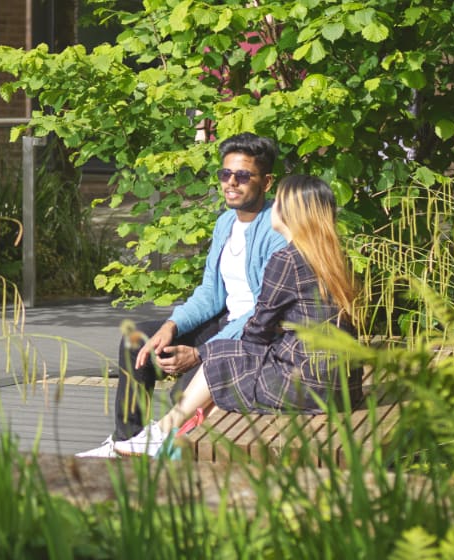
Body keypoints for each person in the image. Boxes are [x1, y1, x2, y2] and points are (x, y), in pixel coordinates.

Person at [110, 174, 364, 456]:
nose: (273, 207)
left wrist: (206, 353)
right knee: (223, 364)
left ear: (290, 212)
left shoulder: (287, 259)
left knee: (220, 360)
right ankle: (166, 435)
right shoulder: (333, 256)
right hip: (344, 385)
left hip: (307, 384)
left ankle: (162, 434)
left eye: (278, 201)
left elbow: (259, 328)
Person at [76, 133, 290, 458]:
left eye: (243, 175)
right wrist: (171, 326)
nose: (231, 183)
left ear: (267, 181)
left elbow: (264, 311)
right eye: (225, 174)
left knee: (185, 390)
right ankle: (127, 440)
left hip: (256, 335)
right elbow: (210, 292)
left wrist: (201, 353)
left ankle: (158, 445)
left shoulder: (276, 230)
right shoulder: (225, 223)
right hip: (226, 321)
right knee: (138, 340)